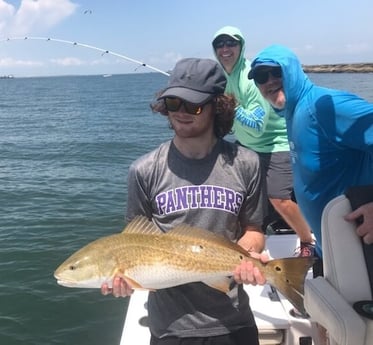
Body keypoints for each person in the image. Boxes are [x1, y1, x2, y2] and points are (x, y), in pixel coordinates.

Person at [101, 57, 269, 345]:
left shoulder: (246, 163)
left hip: (233, 321)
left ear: (218, 106)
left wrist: (245, 258)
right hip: (170, 328)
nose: (181, 112)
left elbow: (254, 231)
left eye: (193, 105)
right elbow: (132, 242)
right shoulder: (144, 170)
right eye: (174, 103)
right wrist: (124, 279)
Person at [248, 43, 373, 261]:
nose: (269, 81)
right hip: (331, 250)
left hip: (359, 250)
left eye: (276, 72)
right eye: (261, 76)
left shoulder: (322, 106)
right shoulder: (292, 112)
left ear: (293, 71)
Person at [211, 26, 315, 257]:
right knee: (234, 194)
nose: (225, 48)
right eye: (220, 44)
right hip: (246, 145)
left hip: (275, 143)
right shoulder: (225, 77)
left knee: (278, 197)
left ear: (241, 46)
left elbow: (257, 128)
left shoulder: (250, 78)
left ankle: (308, 240)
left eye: (231, 43)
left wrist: (229, 106)